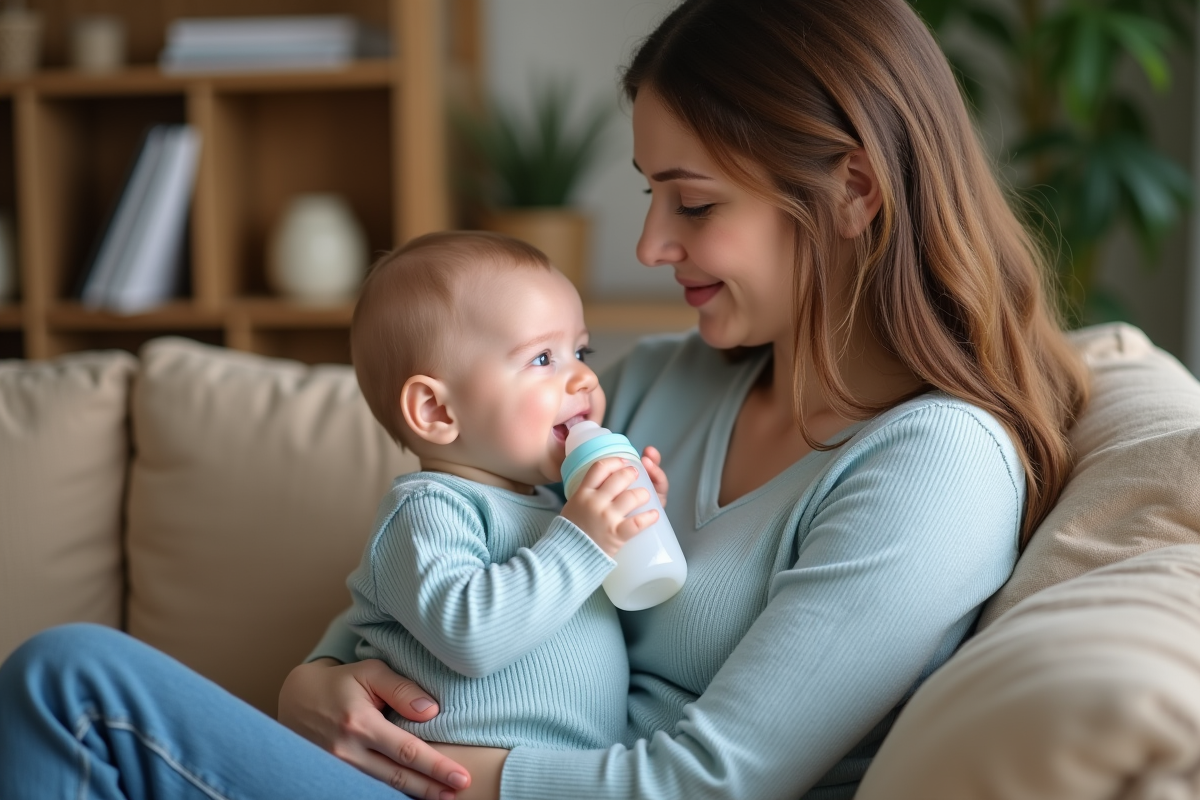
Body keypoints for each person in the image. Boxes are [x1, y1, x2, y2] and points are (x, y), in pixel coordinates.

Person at [0, 0, 1090, 798]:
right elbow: (443, 560)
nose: (650, 244)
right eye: (649, 191)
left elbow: (717, 779)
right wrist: (317, 684)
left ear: (853, 187)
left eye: (693, 201)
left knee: (71, 684)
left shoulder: (935, 462)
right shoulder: (660, 380)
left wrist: (432, 768)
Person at [343, 230, 665, 752]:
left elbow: (581, 598)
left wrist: (631, 523)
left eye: (581, 350)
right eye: (543, 359)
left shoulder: (558, 507)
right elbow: (471, 637)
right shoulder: (427, 511)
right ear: (437, 411)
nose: (583, 376)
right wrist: (586, 537)